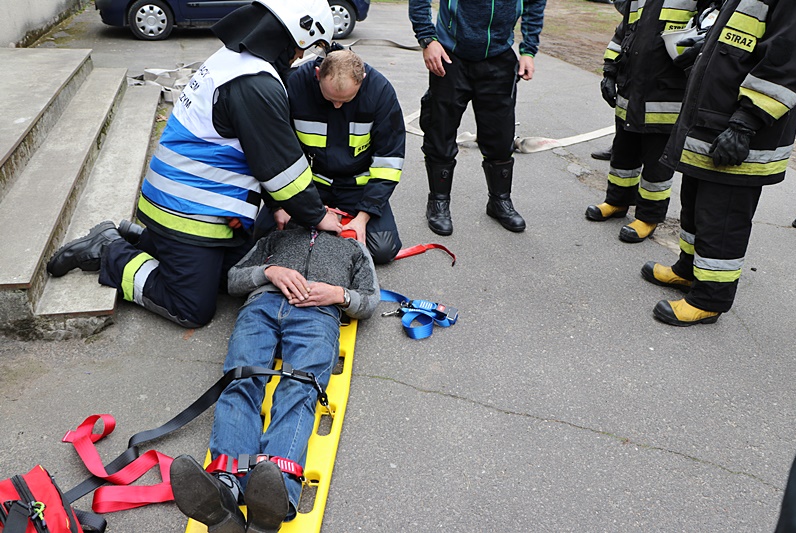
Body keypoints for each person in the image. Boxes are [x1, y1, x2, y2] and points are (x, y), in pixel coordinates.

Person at [45, 0, 343, 329]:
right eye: (303, 48)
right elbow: (281, 168)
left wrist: (279, 206)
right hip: (188, 212)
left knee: (236, 274)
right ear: (293, 35)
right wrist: (317, 215)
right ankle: (109, 251)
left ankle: (142, 240)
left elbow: (257, 152)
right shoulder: (255, 83)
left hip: (186, 201)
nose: (299, 57)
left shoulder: (237, 61)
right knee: (191, 307)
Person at [170, 221, 379, 533]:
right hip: (261, 306)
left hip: (318, 314)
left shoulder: (353, 248)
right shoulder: (275, 238)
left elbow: (370, 299)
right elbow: (234, 279)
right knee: (240, 382)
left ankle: (275, 494)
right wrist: (269, 272)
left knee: (299, 390)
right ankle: (227, 488)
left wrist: (338, 294)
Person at [642, 0, 796, 326]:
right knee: (695, 206)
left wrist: (746, 122)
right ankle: (688, 270)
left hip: (742, 130)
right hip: (713, 121)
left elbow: (787, 61)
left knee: (722, 217)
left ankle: (709, 299)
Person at [409, 0, 546, 236]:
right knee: (440, 130)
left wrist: (528, 50)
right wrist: (427, 39)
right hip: (450, 54)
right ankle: (438, 201)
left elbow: (535, 3)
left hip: (499, 56)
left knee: (500, 135)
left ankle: (499, 200)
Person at [585, 0, 714, 243]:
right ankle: (617, 201)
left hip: (666, 96)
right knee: (623, 153)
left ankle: (648, 217)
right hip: (630, 90)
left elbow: (712, 26)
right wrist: (609, 71)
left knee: (657, 164)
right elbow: (623, 31)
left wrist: (700, 47)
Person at [284, 48, 405, 265]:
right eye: (330, 98)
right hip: (309, 184)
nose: (337, 106)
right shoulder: (295, 85)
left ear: (363, 79)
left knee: (383, 249)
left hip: (357, 187)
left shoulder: (380, 91)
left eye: (346, 100)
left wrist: (363, 217)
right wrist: (280, 205)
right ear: (318, 74)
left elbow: (388, 162)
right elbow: (279, 151)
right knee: (270, 233)